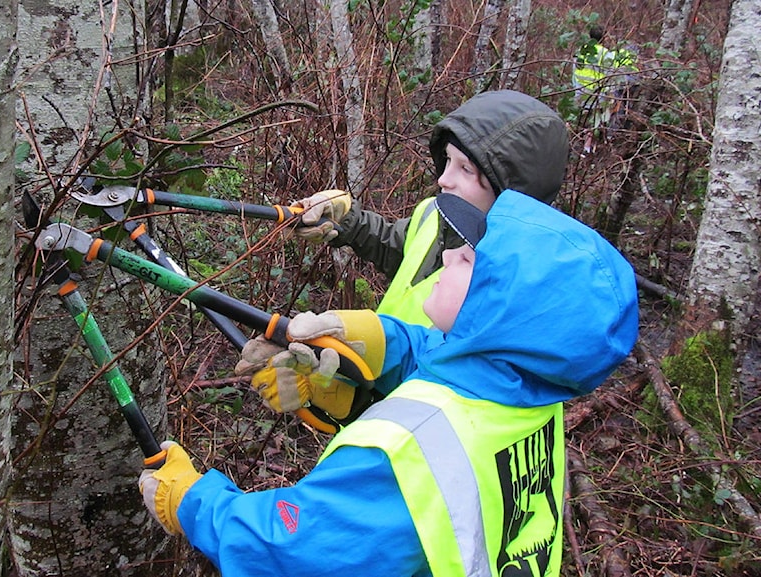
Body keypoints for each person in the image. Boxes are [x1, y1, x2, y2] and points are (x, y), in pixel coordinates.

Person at [140, 190, 640, 576]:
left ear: (499, 314)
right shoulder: (533, 394)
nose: (444, 259)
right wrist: (377, 339)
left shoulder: (405, 455)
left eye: (467, 262)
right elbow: (459, 364)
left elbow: (291, 552)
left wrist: (191, 502)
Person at [235, 89, 570, 421]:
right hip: (381, 387)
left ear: (512, 193)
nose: (443, 179)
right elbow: (401, 249)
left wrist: (355, 403)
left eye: (465, 169)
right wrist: (347, 220)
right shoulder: (435, 215)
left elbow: (459, 402)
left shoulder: (507, 294)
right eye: (447, 161)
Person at [572, 26, 639, 153]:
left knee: (585, 121)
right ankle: (592, 147)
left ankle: (583, 146)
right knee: (596, 121)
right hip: (598, 94)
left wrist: (576, 88)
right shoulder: (606, 54)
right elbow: (611, 75)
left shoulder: (581, 51)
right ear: (604, 38)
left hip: (581, 92)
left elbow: (574, 72)